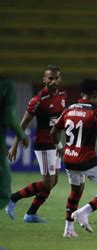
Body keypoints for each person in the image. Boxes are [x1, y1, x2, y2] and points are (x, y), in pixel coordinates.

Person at [51, 79, 97, 237]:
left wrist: (60, 148)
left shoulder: (69, 109)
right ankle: (84, 212)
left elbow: (53, 132)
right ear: (96, 93)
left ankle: (68, 229)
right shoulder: (95, 110)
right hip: (87, 160)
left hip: (69, 159)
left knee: (75, 192)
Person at [5, 65, 67, 223]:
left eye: (56, 78)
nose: (54, 81)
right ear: (44, 80)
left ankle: (31, 214)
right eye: (50, 78)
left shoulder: (63, 95)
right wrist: (13, 145)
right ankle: (13, 198)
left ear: (60, 79)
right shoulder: (37, 100)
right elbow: (23, 124)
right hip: (44, 144)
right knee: (47, 182)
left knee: (53, 182)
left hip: (56, 144)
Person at [1, 76, 29, 209]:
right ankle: (9, 200)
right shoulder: (7, 85)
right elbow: (9, 116)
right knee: (4, 187)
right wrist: (22, 136)